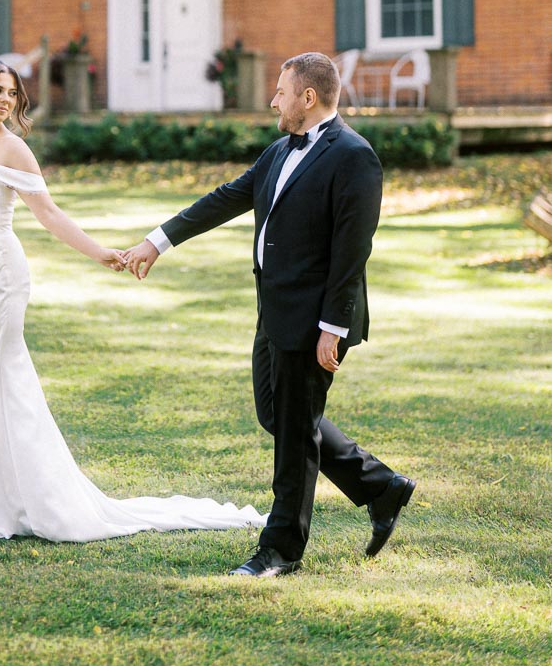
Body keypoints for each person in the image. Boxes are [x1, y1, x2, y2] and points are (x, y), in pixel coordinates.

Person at [0, 59, 265, 543]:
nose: (5, 100)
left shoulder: (14, 149)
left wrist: (100, 252)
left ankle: (16, 497)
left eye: (13, 93)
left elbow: (48, 214)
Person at [122, 51, 416, 577]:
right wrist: (157, 241)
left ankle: (280, 549)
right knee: (278, 416)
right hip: (274, 310)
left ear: (308, 97)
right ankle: (380, 486)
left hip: (317, 320)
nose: (272, 100)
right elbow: (226, 198)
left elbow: (353, 250)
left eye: (280, 91)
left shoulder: (354, 156)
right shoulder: (279, 150)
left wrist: (335, 327)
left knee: (295, 433)